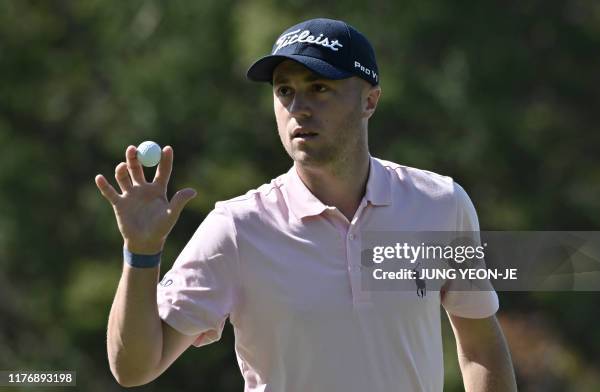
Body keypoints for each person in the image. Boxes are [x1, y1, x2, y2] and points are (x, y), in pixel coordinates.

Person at [96, 18, 517, 392]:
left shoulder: (439, 204)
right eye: (285, 91)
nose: (299, 108)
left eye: (319, 88)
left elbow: (480, 345)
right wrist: (141, 253)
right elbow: (134, 368)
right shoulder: (237, 228)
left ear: (369, 101)